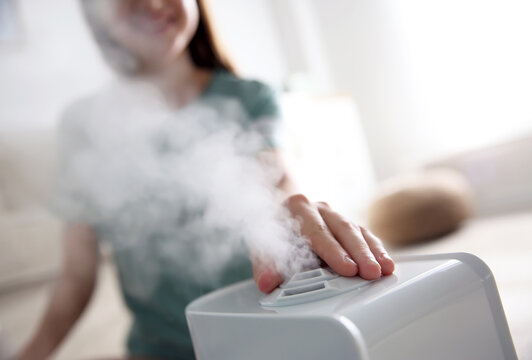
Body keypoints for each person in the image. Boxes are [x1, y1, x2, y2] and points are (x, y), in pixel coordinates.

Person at [18, 0, 395, 359]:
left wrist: (294, 217)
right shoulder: (83, 126)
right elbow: (76, 276)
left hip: (264, 340)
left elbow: (278, 186)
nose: (151, 4)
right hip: (158, 352)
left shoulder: (250, 98)